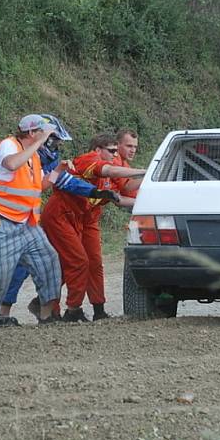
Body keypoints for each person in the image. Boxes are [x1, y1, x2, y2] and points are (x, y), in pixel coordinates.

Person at [0, 115, 119, 326]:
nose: (56, 145)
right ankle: (6, 312)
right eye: (53, 140)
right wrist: (93, 190)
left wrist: (92, 190)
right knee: (18, 265)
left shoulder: (41, 157)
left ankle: (39, 314)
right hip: (6, 216)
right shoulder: (15, 150)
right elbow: (59, 182)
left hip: (27, 216)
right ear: (37, 135)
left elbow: (56, 181)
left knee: (42, 263)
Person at [41, 132, 146, 322]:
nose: (116, 155)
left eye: (117, 151)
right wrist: (146, 172)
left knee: (94, 263)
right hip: (62, 214)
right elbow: (109, 172)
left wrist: (147, 200)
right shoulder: (90, 159)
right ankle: (63, 309)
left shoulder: (116, 167)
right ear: (98, 150)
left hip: (86, 216)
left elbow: (122, 193)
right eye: (112, 150)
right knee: (75, 263)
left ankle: (97, 308)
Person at [0, 114, 65, 325]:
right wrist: (40, 142)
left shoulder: (33, 156)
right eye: (48, 135)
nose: (51, 141)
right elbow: (11, 164)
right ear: (32, 133)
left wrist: (58, 172)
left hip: (25, 222)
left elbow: (38, 186)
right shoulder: (9, 145)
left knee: (49, 260)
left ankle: (46, 316)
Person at [111, 128, 142, 202]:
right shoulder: (114, 159)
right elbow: (126, 187)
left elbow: (128, 190)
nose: (133, 151)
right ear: (117, 145)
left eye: (135, 147)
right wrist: (148, 177)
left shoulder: (123, 162)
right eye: (129, 146)